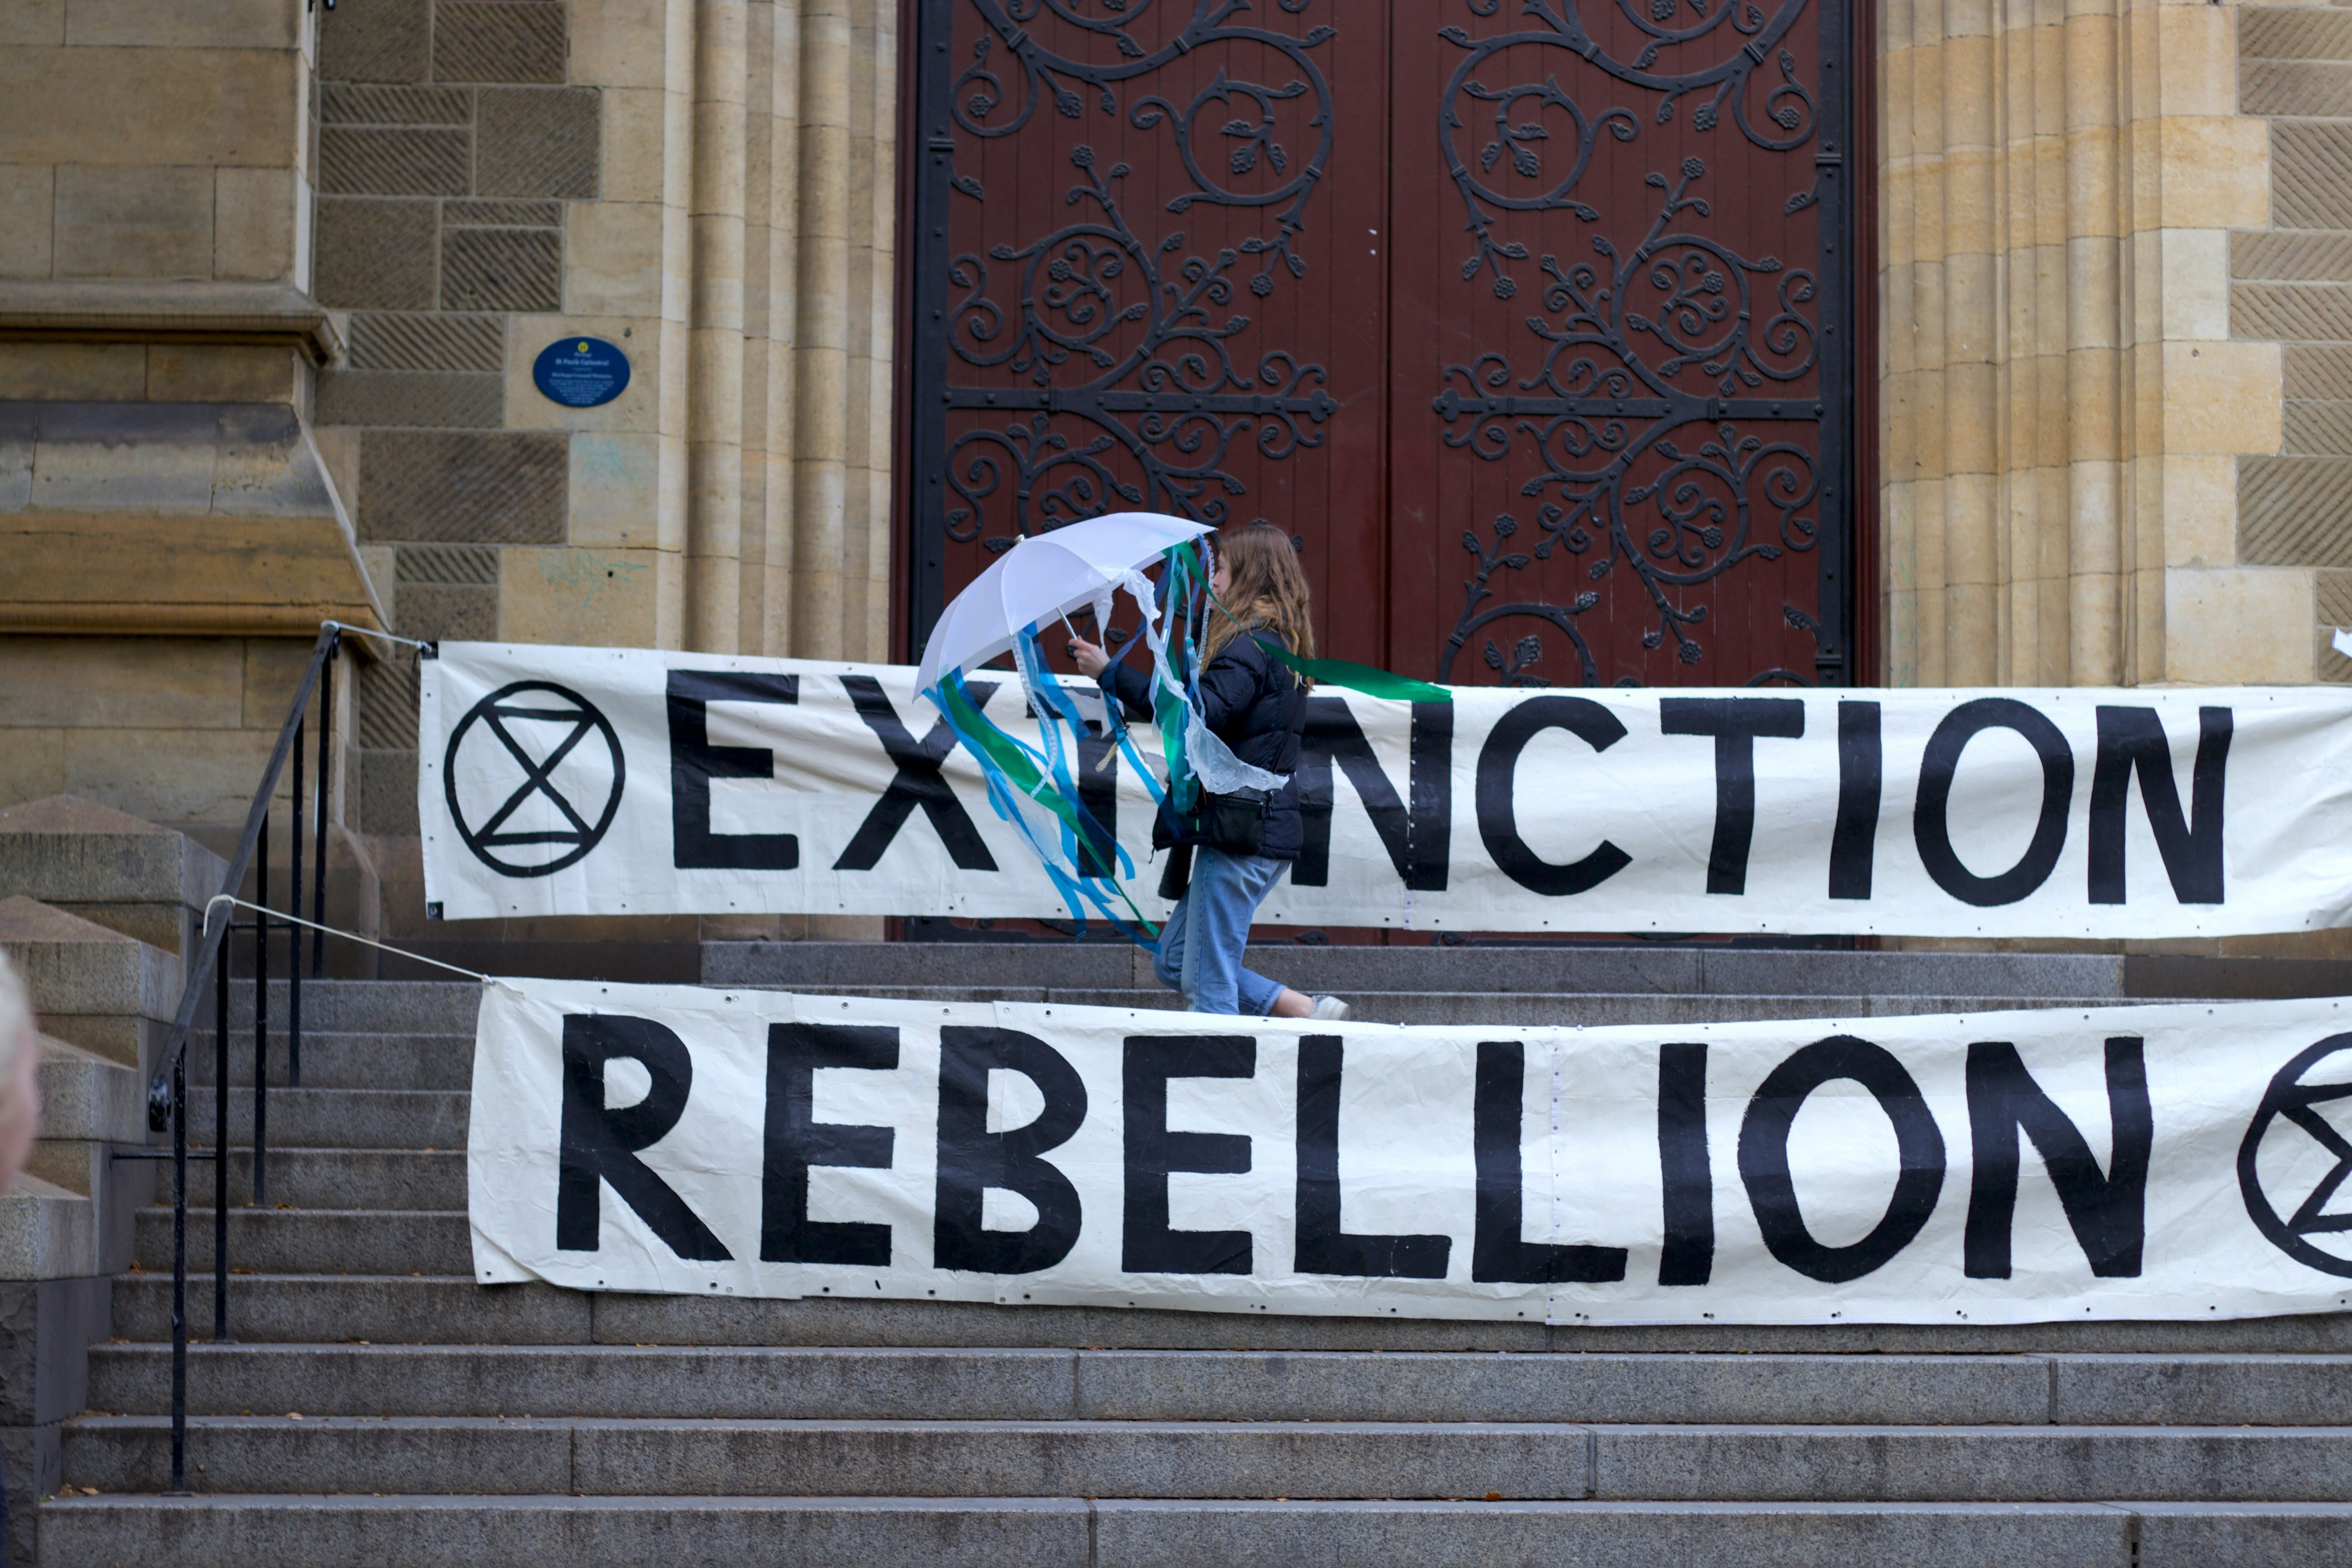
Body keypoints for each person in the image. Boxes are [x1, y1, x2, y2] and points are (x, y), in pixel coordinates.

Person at [1067, 523, 1350, 1021]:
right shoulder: (1274, 642)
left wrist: (1110, 672)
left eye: (1219, 570)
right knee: (1176, 962)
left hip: (1243, 834)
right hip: (1255, 829)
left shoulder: (1251, 644)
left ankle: (1222, 1074)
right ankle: (1305, 1011)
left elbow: (1201, 715)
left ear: (1248, 576)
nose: (1212, 581)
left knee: (1208, 981)